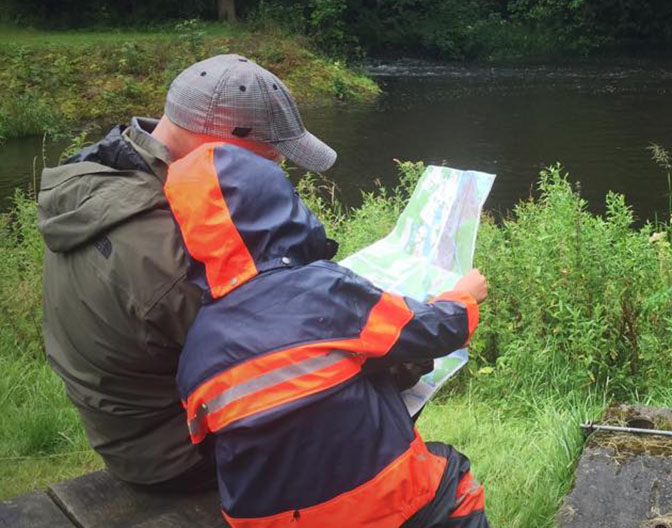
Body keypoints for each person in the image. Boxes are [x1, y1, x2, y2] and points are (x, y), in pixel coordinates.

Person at [37, 53, 337, 490]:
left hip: (127, 426)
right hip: (175, 455)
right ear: (221, 144)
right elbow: (292, 357)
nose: (278, 171)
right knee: (367, 405)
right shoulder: (174, 257)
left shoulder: (106, 176)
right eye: (270, 158)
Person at [163, 141, 490, 527]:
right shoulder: (322, 290)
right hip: (370, 505)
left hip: (264, 521)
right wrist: (464, 297)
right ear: (278, 206)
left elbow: (211, 447)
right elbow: (436, 331)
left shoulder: (195, 351)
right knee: (454, 477)